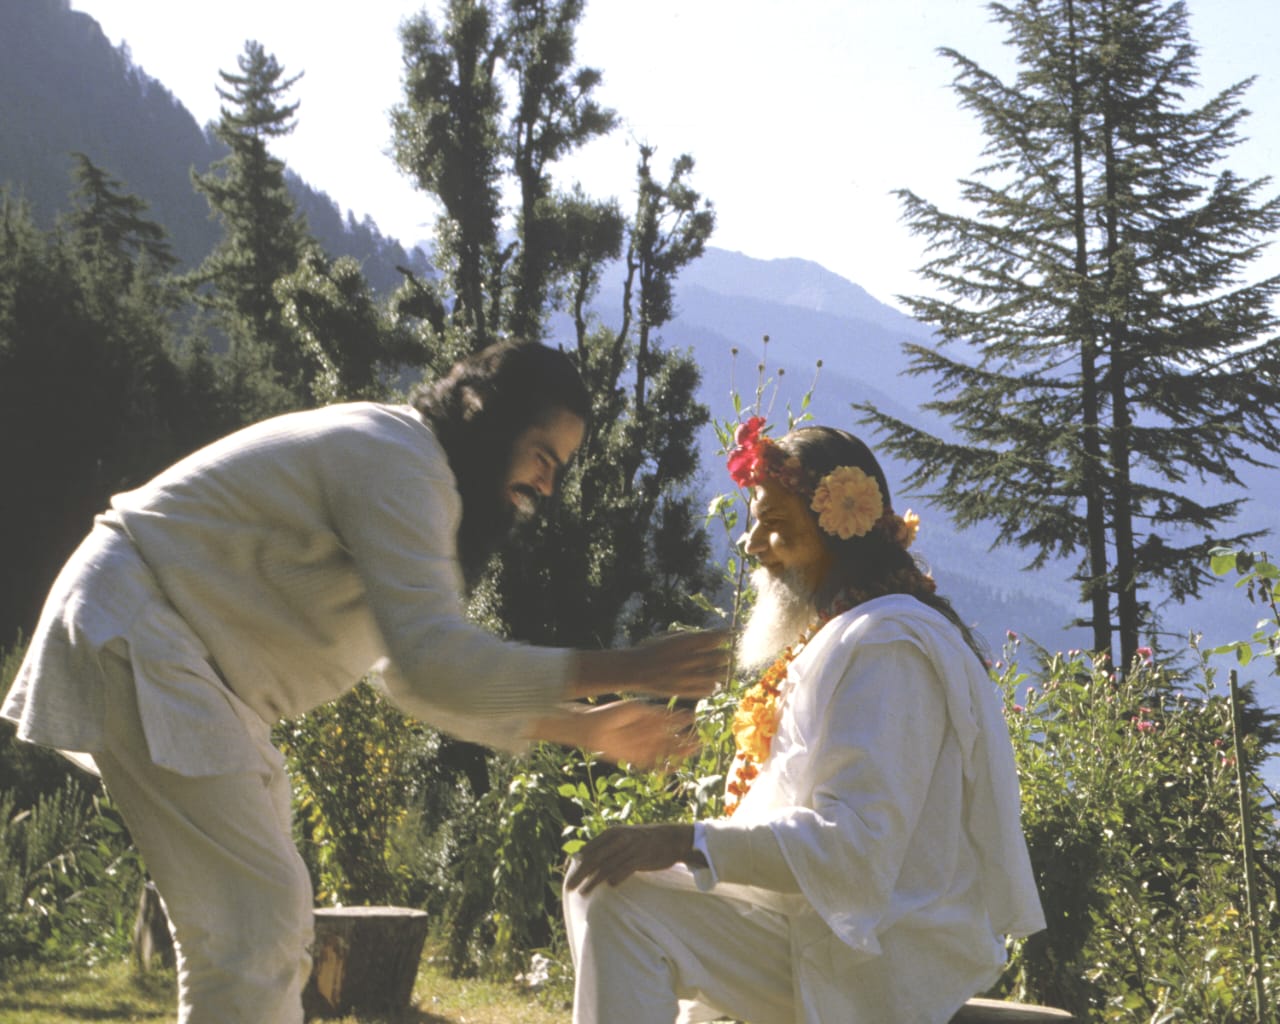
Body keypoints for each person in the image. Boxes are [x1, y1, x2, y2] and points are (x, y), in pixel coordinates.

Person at [2, 339, 726, 1024]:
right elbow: (430, 660)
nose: (546, 482)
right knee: (257, 922)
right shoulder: (399, 461)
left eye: (558, 467)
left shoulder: (413, 477)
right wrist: (624, 666)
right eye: (542, 454)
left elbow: (404, 676)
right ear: (487, 420)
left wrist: (582, 725)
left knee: (257, 926)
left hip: (181, 659)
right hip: (145, 633)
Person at [563, 418, 1046, 1024]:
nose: (753, 544)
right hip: (815, 927)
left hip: (871, 954)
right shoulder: (843, 633)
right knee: (600, 877)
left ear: (838, 530)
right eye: (755, 522)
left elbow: (855, 848)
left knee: (617, 900)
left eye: (777, 525)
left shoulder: (887, 645)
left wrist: (684, 841)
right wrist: (688, 849)